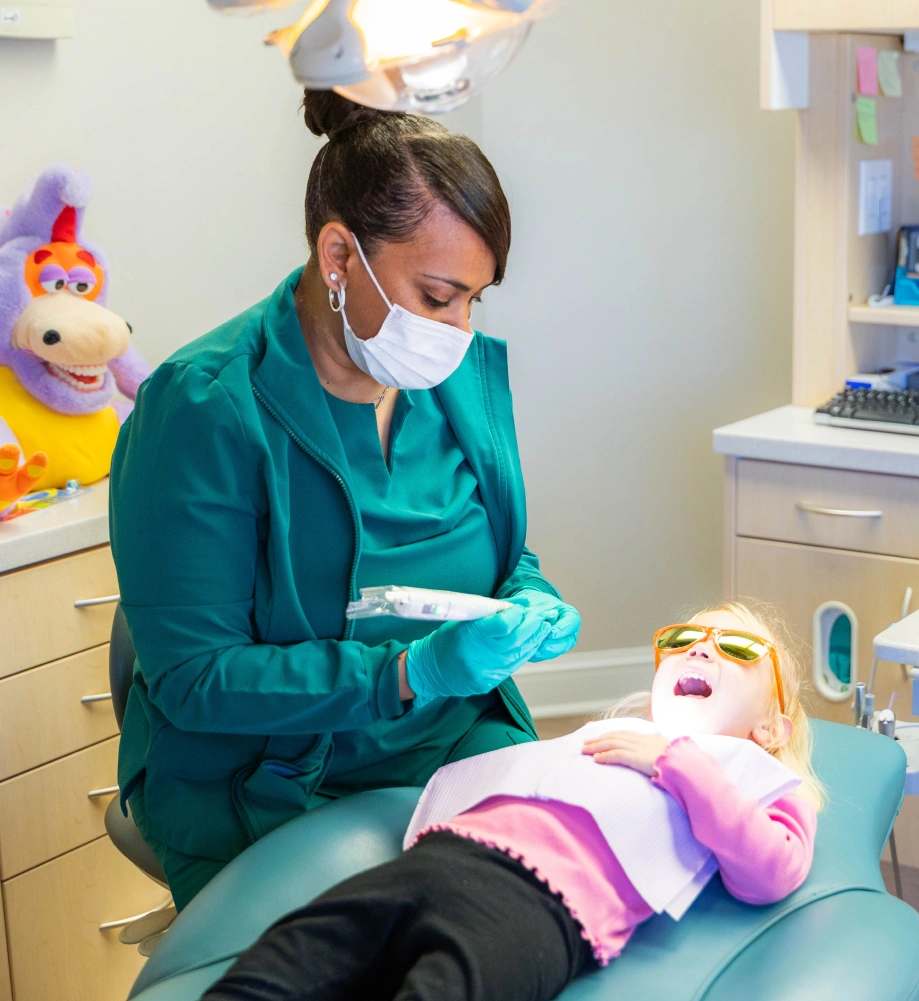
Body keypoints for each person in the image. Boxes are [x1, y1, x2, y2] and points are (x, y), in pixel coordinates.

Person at [108, 91, 580, 912]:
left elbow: (484, 546)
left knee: (580, 915)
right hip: (275, 779)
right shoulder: (205, 410)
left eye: (475, 298)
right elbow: (194, 677)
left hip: (455, 744)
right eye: (438, 296)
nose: (459, 329)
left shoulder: (446, 381)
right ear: (338, 257)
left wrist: (525, 592)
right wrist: (404, 673)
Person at [200, 601, 824, 1001]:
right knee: (278, 967)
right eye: (686, 637)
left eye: (738, 650)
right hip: (437, 862)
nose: (701, 649)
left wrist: (677, 763)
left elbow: (772, 870)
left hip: (540, 907)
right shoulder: (598, 740)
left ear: (770, 729)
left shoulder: (751, 774)